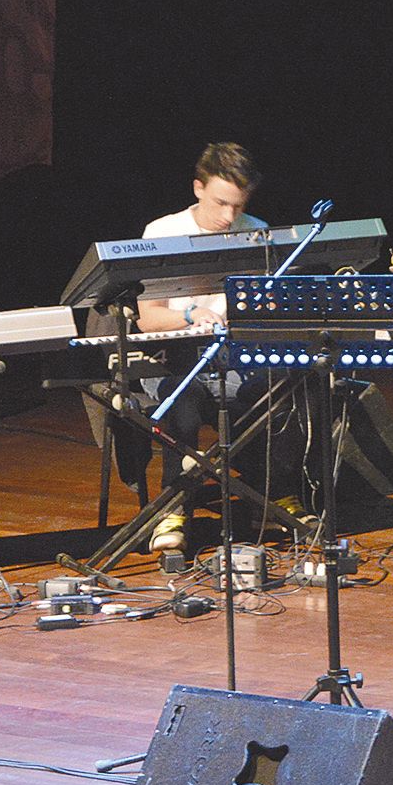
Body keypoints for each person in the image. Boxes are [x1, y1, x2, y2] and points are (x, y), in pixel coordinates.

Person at [137, 142, 312, 552]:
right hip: (176, 356)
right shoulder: (162, 232)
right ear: (198, 188)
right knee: (184, 401)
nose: (228, 216)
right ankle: (173, 507)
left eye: (238, 205)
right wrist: (190, 317)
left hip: (235, 357)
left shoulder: (256, 230)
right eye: (220, 203)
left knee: (282, 383)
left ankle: (271, 497)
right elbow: (148, 319)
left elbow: (268, 308)